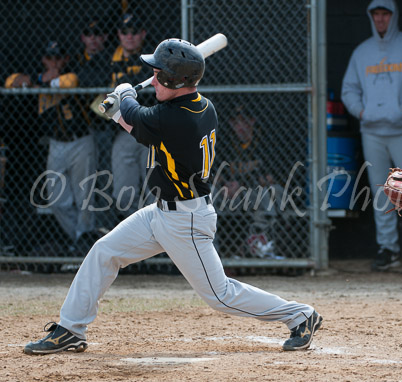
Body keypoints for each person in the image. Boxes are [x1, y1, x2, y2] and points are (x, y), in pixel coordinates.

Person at [23, 38, 322, 355]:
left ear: (175, 80)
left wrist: (124, 93)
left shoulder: (176, 118)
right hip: (160, 213)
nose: (152, 79)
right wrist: (117, 112)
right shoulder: (200, 107)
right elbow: (142, 126)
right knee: (104, 251)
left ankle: (300, 315)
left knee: (219, 296)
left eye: (158, 74)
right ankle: (71, 328)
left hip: (186, 220)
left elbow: (140, 117)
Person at [341, 0, 402, 271]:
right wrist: (361, 112)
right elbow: (348, 88)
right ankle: (388, 248)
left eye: (385, 14)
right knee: (380, 191)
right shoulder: (362, 52)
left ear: (394, 16)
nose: (381, 19)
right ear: (370, 16)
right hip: (371, 131)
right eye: (376, 14)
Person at [7, 41, 98, 255]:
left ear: (65, 59)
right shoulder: (37, 75)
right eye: (50, 58)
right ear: (43, 59)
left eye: (58, 58)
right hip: (56, 144)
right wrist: (39, 79)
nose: (54, 62)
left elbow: (69, 82)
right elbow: (12, 81)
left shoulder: (74, 72)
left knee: (84, 197)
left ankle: (85, 245)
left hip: (80, 141)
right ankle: (80, 240)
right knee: (57, 199)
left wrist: (42, 83)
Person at [213, 105, 285, 259]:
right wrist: (224, 183)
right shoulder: (224, 142)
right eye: (236, 122)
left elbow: (267, 179)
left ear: (252, 121)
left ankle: (261, 248)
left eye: (244, 121)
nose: (240, 126)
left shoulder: (265, 142)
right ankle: (212, 252)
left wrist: (241, 183)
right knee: (210, 192)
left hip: (252, 193)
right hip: (230, 193)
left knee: (268, 193)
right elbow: (215, 172)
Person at [109, 13, 153, 218]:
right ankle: (138, 235)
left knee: (156, 189)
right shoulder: (108, 58)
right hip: (124, 130)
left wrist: (127, 80)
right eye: (125, 32)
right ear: (118, 34)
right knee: (123, 195)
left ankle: (162, 236)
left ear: (143, 34)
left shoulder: (152, 57)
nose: (129, 36)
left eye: (134, 32)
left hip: (151, 128)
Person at [75, 18, 116, 233]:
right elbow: (81, 79)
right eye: (89, 35)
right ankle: (86, 235)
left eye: (98, 35)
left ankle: (106, 225)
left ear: (105, 38)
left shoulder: (109, 59)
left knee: (106, 177)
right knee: (87, 183)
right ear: (83, 38)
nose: (93, 40)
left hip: (105, 128)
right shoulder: (76, 59)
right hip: (80, 130)